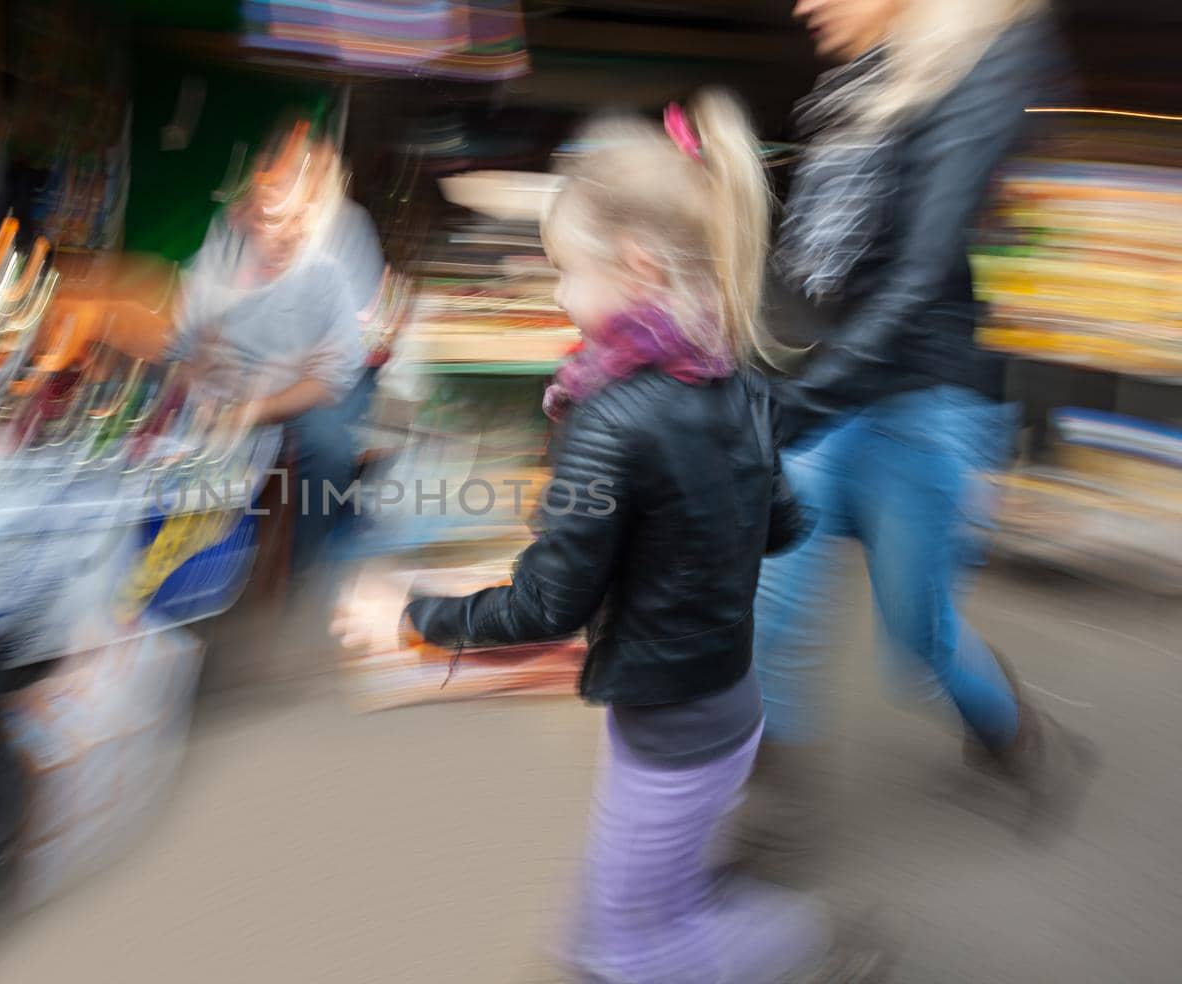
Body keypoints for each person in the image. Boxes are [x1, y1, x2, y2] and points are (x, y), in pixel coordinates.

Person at [390, 92, 883, 984]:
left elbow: (548, 605)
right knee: (617, 916)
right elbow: (784, 525)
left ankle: (808, 944)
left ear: (638, 266)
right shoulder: (736, 382)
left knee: (635, 948)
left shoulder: (607, 414)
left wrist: (425, 617)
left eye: (565, 270)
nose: (557, 291)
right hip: (725, 706)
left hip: (670, 726)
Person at [745, 0, 1096, 861]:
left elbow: (914, 282)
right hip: (830, 393)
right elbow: (804, 275)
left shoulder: (984, 60)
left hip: (923, 400)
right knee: (763, 604)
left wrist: (784, 405)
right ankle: (773, 820)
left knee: (918, 641)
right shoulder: (850, 88)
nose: (805, 4)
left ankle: (1021, 740)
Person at [167, 118, 386, 576]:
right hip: (248, 365)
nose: (272, 185)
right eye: (271, 170)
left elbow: (336, 368)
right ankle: (173, 556)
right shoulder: (235, 225)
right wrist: (200, 366)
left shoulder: (344, 233)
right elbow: (195, 323)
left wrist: (256, 406)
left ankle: (303, 570)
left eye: (293, 176)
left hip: (320, 377)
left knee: (326, 443)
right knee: (163, 396)